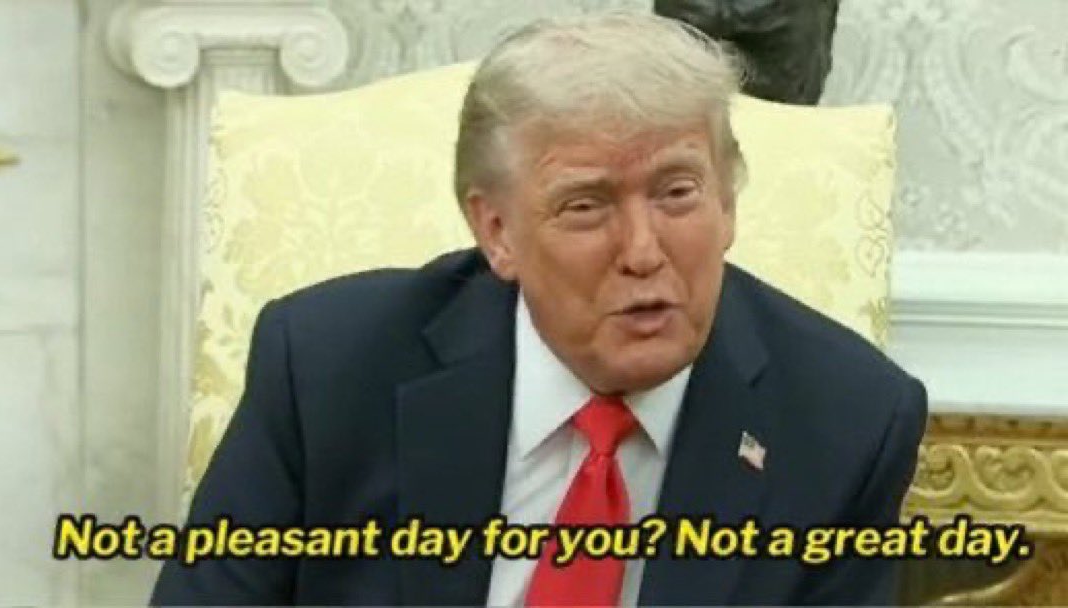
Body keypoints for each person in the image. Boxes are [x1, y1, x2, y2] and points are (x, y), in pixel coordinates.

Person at [151, 12, 927, 606]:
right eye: (586, 206)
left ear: (727, 203)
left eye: (677, 193)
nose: (643, 251)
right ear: (497, 231)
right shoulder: (329, 369)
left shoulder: (849, 422)